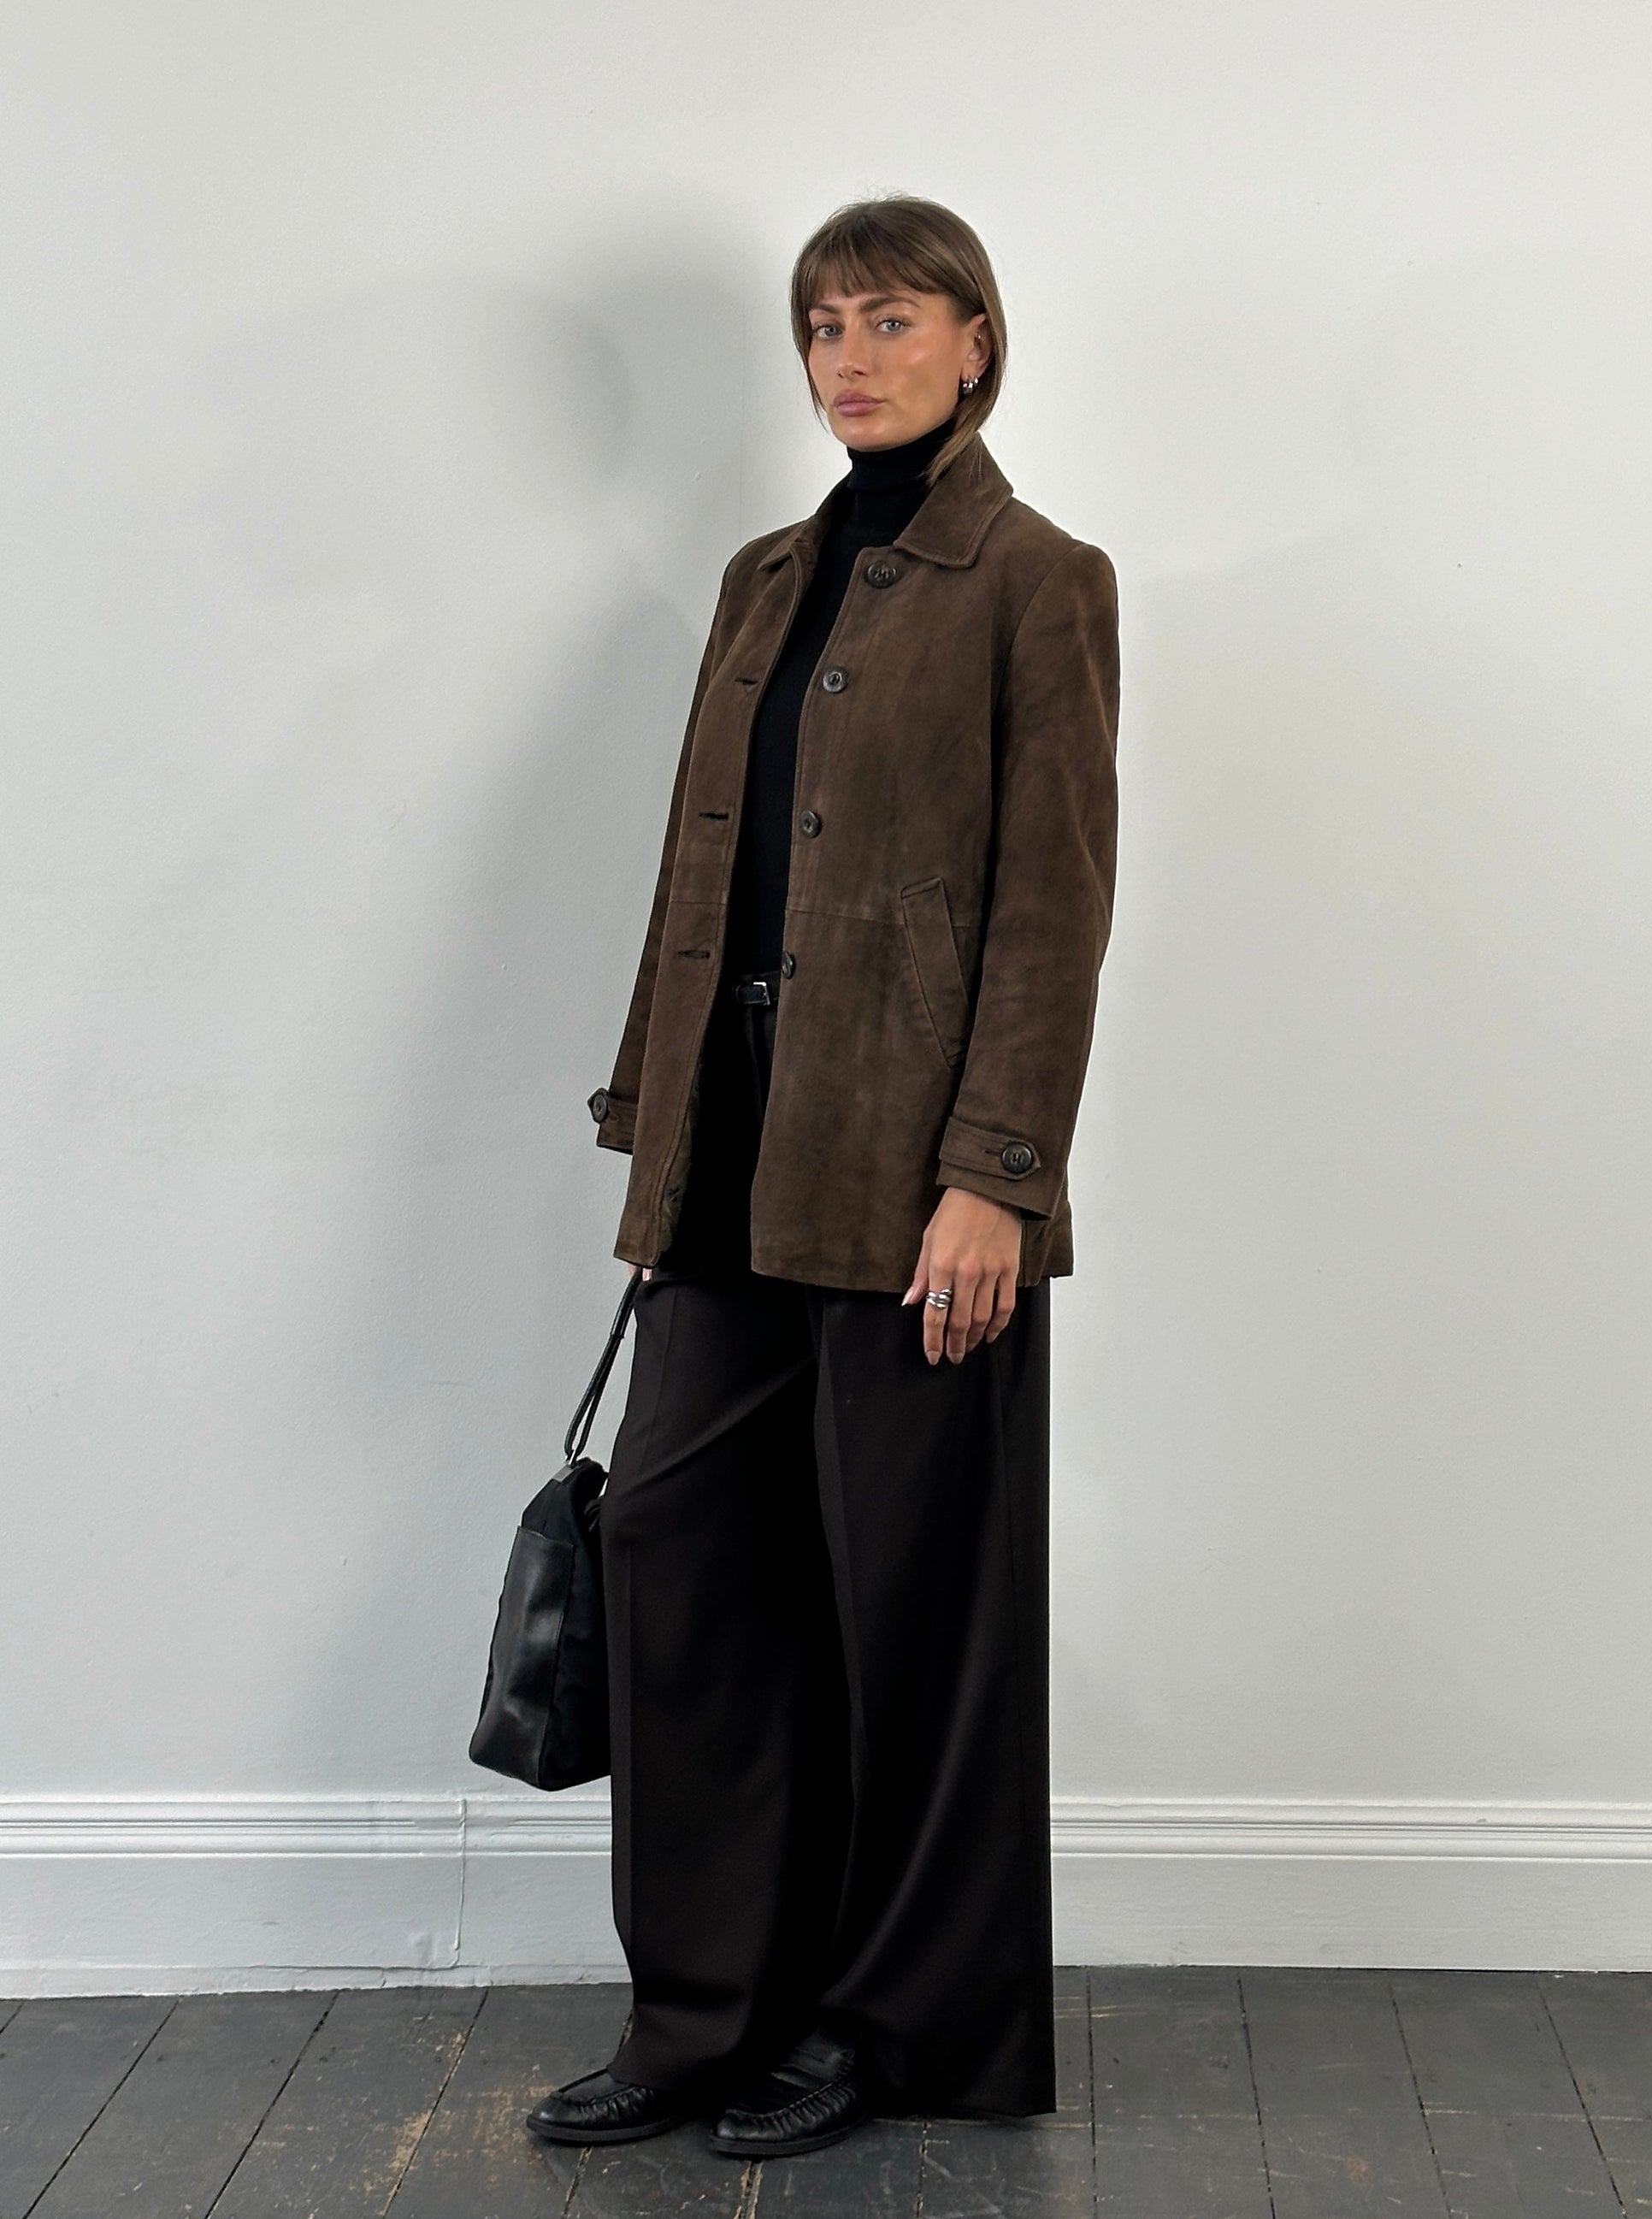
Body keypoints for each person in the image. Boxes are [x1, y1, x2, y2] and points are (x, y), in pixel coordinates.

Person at [527, 193, 1120, 2161]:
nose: (849, 356)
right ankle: (705, 2011)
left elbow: (1052, 904)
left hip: (913, 1178)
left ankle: (888, 2023)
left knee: (911, 1608)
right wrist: (652, 1118)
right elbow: (700, 869)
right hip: (727, 1160)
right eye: (823, 326)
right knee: (680, 1559)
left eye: (890, 318)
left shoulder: (1038, 580)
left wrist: (996, 1174)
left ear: (974, 340)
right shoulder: (763, 577)